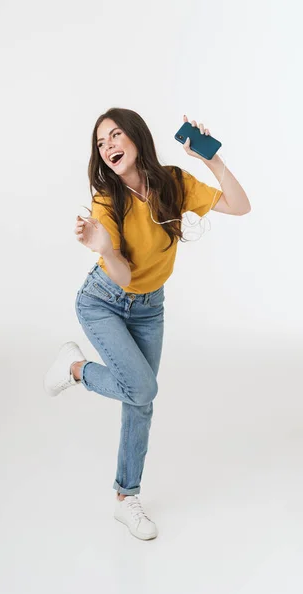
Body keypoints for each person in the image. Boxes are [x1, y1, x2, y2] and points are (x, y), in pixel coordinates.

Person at [44, 108, 251, 541]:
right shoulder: (107, 201)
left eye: (115, 135)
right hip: (103, 302)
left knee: (140, 401)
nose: (109, 147)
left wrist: (210, 160)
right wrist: (106, 247)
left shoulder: (172, 182)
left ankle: (125, 498)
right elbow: (119, 277)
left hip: (149, 307)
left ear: (136, 138)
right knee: (143, 389)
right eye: (101, 144)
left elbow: (240, 206)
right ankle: (75, 369)